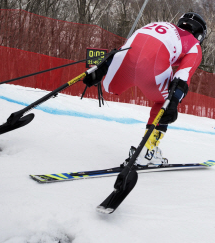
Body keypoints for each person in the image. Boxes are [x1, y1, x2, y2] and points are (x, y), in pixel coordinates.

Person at [83, 12, 206, 167]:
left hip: (124, 62)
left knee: (109, 87)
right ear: (200, 36)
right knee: (164, 102)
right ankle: (148, 150)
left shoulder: (161, 25)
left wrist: (100, 69)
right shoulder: (194, 45)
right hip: (152, 65)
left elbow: (125, 49)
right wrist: (174, 101)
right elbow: (183, 75)